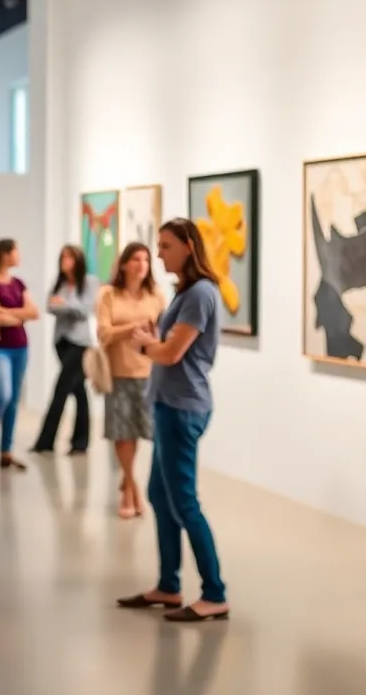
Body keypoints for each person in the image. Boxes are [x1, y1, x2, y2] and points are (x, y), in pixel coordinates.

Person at [116, 218, 228, 623]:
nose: (158, 253)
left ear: (187, 247)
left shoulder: (200, 293)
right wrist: (153, 339)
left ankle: (214, 593)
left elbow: (171, 353)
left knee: (183, 501)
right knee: (161, 497)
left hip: (183, 408)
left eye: (165, 246)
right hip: (168, 404)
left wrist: (148, 344)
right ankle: (168, 585)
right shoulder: (187, 291)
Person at [96, 242, 165, 518]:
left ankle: (128, 478)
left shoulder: (156, 296)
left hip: (149, 373)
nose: (141, 264)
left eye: (146, 259)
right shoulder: (108, 295)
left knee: (145, 431)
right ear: (124, 264)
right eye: (136, 259)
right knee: (124, 434)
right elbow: (104, 334)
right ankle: (130, 488)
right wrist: (132, 329)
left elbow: (164, 332)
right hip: (119, 373)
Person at [32, 245, 101, 456]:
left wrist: (65, 303)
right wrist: (64, 304)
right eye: (63, 257)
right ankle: (80, 443)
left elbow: (85, 311)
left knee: (61, 389)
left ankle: (45, 442)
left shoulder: (89, 282)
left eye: (69, 258)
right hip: (61, 342)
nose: (65, 261)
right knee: (78, 391)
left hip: (80, 343)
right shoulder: (60, 282)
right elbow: (49, 306)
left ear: (78, 260)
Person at [0, 238, 38, 472]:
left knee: (13, 401)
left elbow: (34, 312)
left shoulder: (18, 283)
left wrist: (9, 312)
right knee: (2, 395)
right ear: (5, 254)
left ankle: (6, 451)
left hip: (20, 346)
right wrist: (17, 315)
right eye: (16, 250)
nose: (18, 255)